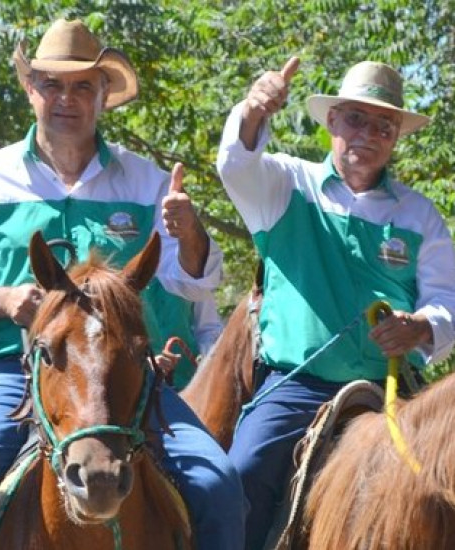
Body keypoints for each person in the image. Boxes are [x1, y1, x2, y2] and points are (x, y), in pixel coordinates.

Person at [0, 18, 245, 550]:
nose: (66, 98)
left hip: (129, 382)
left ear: (103, 97)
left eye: (82, 86)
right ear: (30, 91)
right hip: (12, 376)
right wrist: (2, 300)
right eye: (52, 84)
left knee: (221, 487)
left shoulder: (148, 182)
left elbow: (192, 284)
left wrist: (191, 237)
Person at [217, 58, 455, 549]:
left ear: (395, 137)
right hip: (295, 386)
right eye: (356, 119)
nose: (369, 133)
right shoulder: (285, 185)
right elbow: (234, 165)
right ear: (332, 122)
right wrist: (254, 110)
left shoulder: (418, 213)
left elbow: (447, 300)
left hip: (395, 390)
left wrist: (420, 327)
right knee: (240, 474)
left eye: (384, 125)